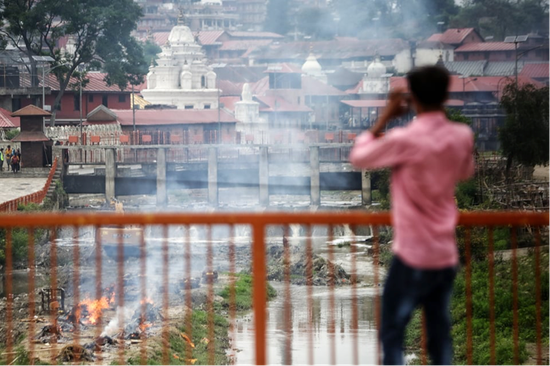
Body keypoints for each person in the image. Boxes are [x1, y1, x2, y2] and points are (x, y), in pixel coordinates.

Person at [349, 65, 474, 366]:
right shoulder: (462, 135)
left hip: (412, 254)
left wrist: (384, 118)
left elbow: (359, 158)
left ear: (413, 97)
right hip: (445, 254)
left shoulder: (404, 138)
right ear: (445, 94)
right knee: (439, 332)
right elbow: (465, 172)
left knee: (393, 331)